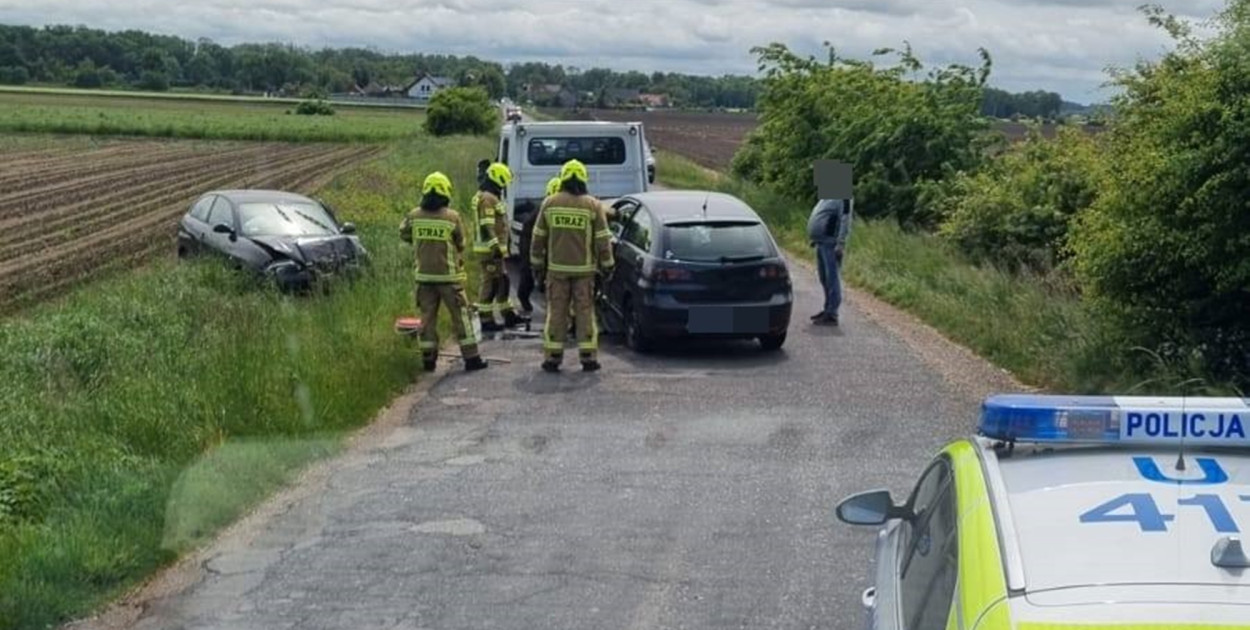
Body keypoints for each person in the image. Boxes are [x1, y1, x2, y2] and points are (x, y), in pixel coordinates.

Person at [530, 160, 614, 373]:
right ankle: (588, 358)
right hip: (584, 272)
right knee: (585, 312)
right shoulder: (593, 205)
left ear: (563, 178)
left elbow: (538, 237)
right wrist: (608, 265)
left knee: (556, 313)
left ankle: (552, 358)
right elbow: (603, 240)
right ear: (583, 180)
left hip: (557, 271)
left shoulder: (550, 203)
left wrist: (537, 264)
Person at [400, 172, 488, 373]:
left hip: (424, 278)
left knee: (427, 319)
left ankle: (428, 360)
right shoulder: (452, 217)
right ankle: (472, 358)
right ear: (445, 194)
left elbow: (404, 234)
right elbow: (461, 243)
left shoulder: (413, 216)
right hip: (449, 279)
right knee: (461, 317)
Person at [472, 162, 525, 331]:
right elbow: (487, 225)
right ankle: (486, 319)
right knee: (491, 283)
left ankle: (508, 314)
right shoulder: (487, 198)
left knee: (503, 281)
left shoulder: (490, 196)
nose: (504, 186)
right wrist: (495, 246)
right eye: (503, 182)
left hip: (495, 250)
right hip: (489, 251)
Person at [516, 176, 563, 315]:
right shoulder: (543, 209)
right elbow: (536, 232)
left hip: (547, 244)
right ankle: (523, 298)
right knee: (527, 272)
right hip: (529, 240)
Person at [806, 198, 853, 326]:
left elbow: (845, 220)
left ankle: (832, 313)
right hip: (820, 242)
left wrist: (841, 243)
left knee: (832, 278)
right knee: (824, 278)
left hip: (831, 243)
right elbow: (822, 214)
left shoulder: (844, 198)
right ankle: (827, 308)